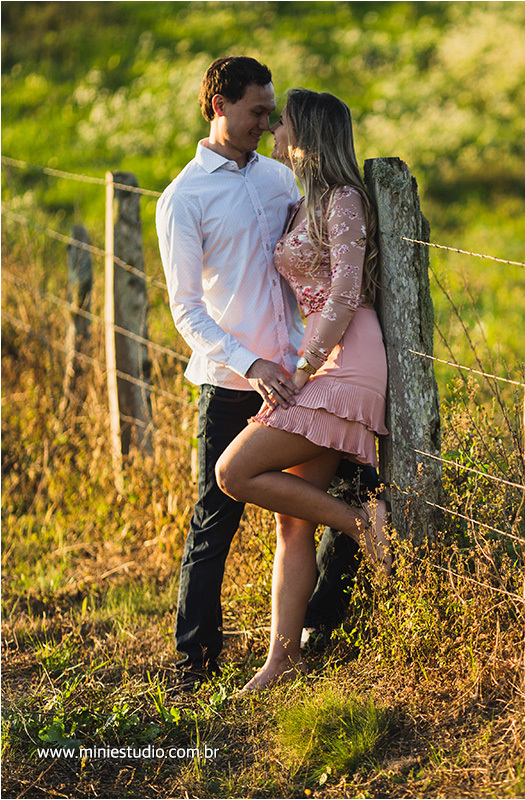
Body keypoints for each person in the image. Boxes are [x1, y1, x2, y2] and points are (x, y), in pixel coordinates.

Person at [156, 57, 375, 693]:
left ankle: (317, 638)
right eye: (257, 111)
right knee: (215, 516)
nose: (268, 122)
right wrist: (250, 363)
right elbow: (185, 308)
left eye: (272, 112)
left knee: (307, 518)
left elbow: (324, 267)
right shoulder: (185, 198)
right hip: (234, 381)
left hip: (309, 377)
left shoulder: (283, 180)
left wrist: (306, 359)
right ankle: (194, 665)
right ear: (219, 105)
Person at [213, 87, 391, 693]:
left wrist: (303, 369)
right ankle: (282, 659)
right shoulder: (301, 202)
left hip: (345, 361)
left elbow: (344, 293)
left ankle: (360, 522)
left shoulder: (343, 200)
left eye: (281, 122)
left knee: (233, 471)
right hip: (318, 360)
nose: (272, 130)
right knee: (292, 524)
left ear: (307, 134)